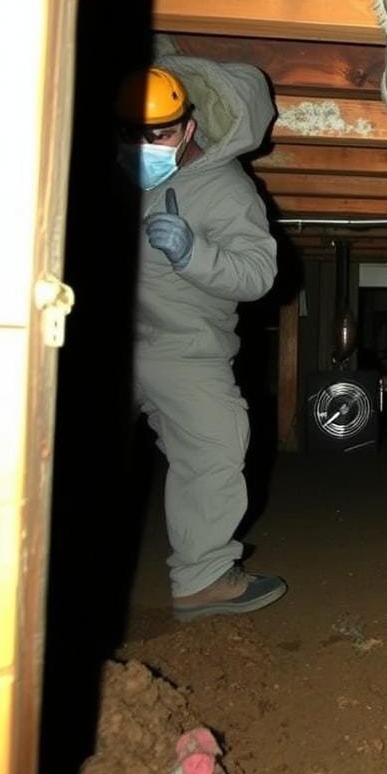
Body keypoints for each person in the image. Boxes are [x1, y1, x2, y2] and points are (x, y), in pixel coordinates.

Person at [115, 57, 286, 621]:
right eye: (136, 133)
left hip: (181, 347)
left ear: (188, 127)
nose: (146, 145)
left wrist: (195, 254)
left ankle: (203, 578)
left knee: (216, 443)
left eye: (159, 133)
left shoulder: (225, 188)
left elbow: (259, 272)